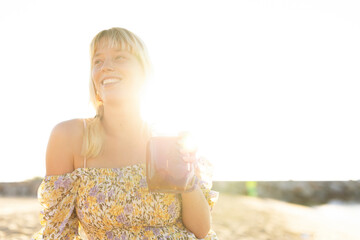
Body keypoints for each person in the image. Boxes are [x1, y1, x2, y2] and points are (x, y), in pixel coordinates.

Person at [31, 27, 219, 240]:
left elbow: (201, 230)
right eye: (97, 62)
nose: (106, 67)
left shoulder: (167, 138)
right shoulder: (69, 137)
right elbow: (58, 232)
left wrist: (186, 176)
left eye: (120, 58)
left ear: (143, 72)